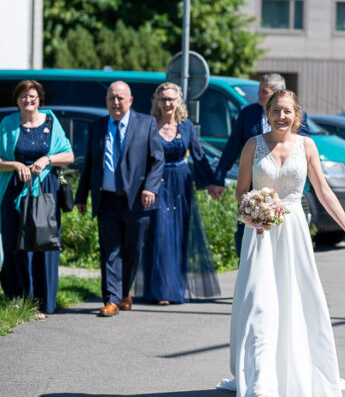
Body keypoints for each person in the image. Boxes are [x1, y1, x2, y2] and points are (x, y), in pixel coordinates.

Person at [217, 89, 345, 397]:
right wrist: (252, 209)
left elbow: (323, 192)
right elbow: (241, 191)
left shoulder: (307, 146)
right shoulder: (252, 145)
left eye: (288, 111)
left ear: (297, 115)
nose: (282, 117)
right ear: (266, 114)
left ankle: (292, 377)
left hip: (293, 231)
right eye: (276, 111)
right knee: (259, 304)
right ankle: (259, 386)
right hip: (261, 234)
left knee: (295, 302)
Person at [75, 80, 164, 317]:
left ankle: (125, 291)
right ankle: (111, 299)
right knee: (110, 251)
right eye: (111, 98)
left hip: (137, 200)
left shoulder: (146, 124)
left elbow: (157, 160)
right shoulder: (97, 127)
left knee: (132, 250)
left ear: (130, 100)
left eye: (120, 98)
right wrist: (81, 195)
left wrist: (150, 188)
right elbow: (90, 164)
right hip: (107, 200)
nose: (115, 102)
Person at [135, 82, 219, 304]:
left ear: (178, 101)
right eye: (163, 99)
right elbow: (141, 157)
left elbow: (199, 156)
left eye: (171, 99)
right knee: (161, 235)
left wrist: (212, 182)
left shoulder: (186, 126)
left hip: (181, 184)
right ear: (157, 102)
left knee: (178, 235)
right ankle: (162, 291)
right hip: (157, 184)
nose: (167, 103)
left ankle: (176, 288)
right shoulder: (150, 125)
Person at [210, 73, 310, 256]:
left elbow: (302, 153)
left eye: (264, 91)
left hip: (287, 195)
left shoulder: (294, 115)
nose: (259, 95)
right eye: (259, 90)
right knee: (248, 246)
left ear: (277, 93)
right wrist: (219, 178)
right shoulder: (247, 113)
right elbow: (232, 148)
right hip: (254, 191)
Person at [0, 80, 74, 318]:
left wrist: (48, 160)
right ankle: (17, 298)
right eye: (23, 96)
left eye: (32, 96)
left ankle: (42, 302)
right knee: (13, 245)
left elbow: (69, 155)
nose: (28, 100)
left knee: (42, 243)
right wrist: (15, 165)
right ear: (17, 100)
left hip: (44, 192)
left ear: (39, 99)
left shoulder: (51, 121)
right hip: (12, 192)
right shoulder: (7, 124)